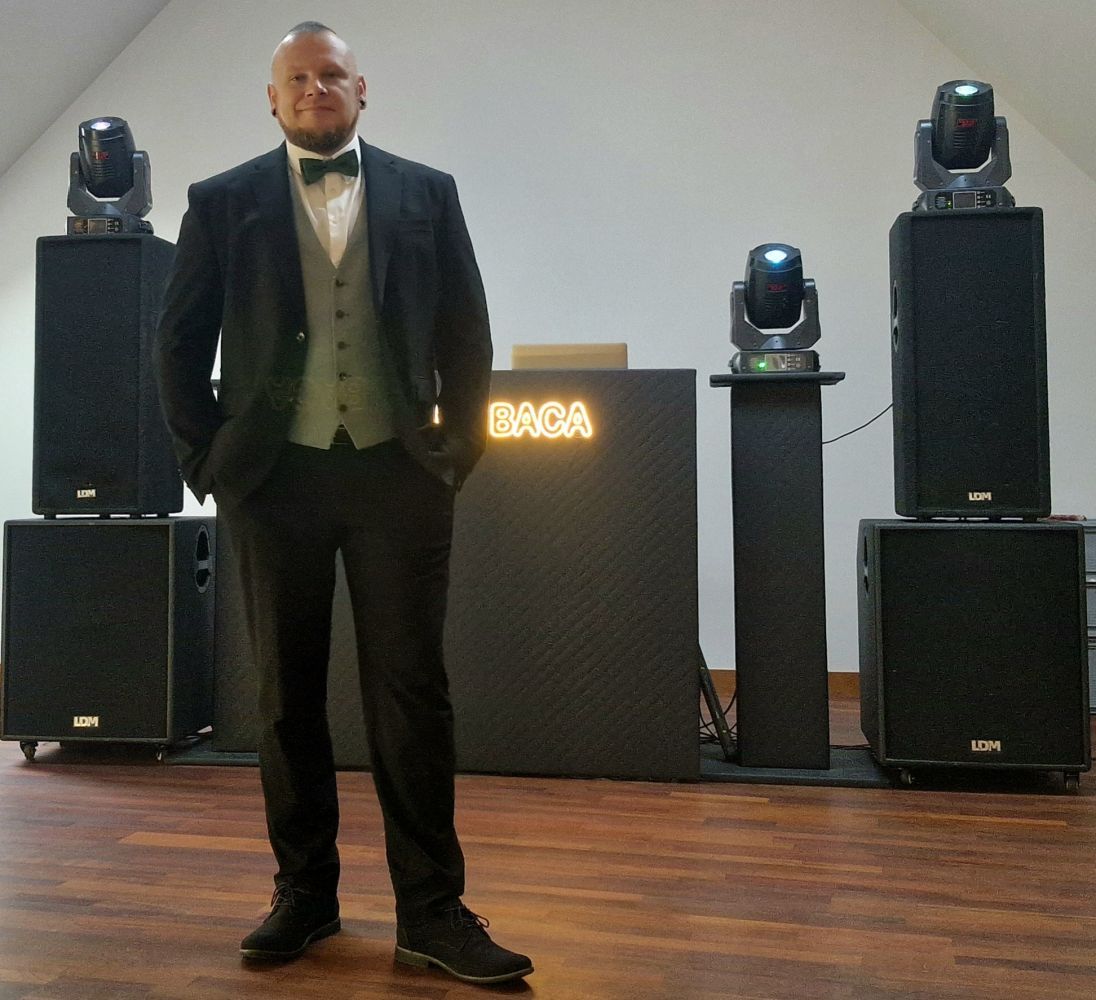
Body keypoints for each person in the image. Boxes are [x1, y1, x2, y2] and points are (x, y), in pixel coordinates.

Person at [154, 21, 532, 986]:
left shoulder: (427, 192)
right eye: (297, 77)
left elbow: (468, 330)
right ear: (272, 98)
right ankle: (305, 894)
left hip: (397, 473)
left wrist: (458, 447)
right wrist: (208, 460)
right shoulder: (220, 200)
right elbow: (177, 342)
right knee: (285, 695)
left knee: (412, 692)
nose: (315, 88)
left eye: (331, 75)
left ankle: (432, 911)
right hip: (272, 479)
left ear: (363, 89)